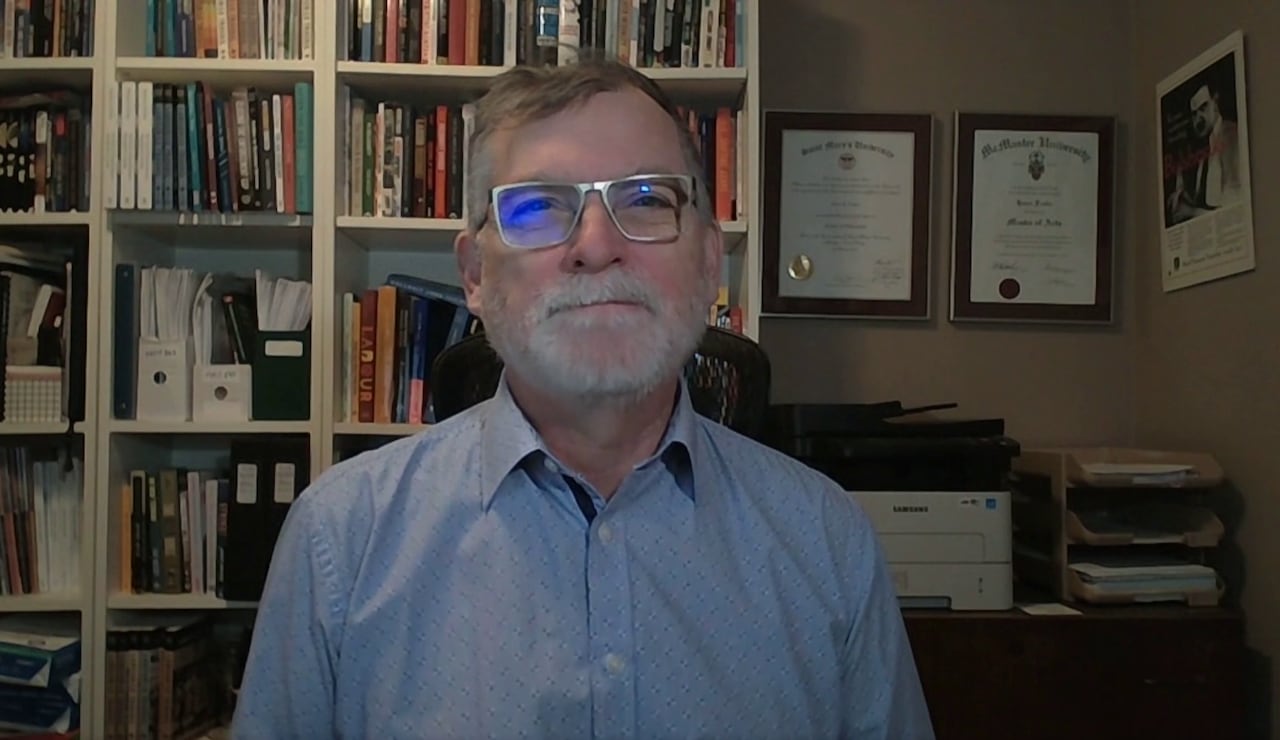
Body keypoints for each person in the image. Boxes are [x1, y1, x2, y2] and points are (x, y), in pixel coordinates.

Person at [231, 56, 935, 740]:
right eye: (538, 208)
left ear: (710, 261)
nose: (595, 245)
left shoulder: (829, 543)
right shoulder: (339, 540)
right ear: (474, 274)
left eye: (647, 200)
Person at [1166, 80, 1242, 225]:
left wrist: (1191, 212)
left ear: (1215, 101)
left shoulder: (1231, 134)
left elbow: (1234, 214)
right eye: (1194, 114)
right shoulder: (1208, 147)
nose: (1198, 118)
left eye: (1204, 107)